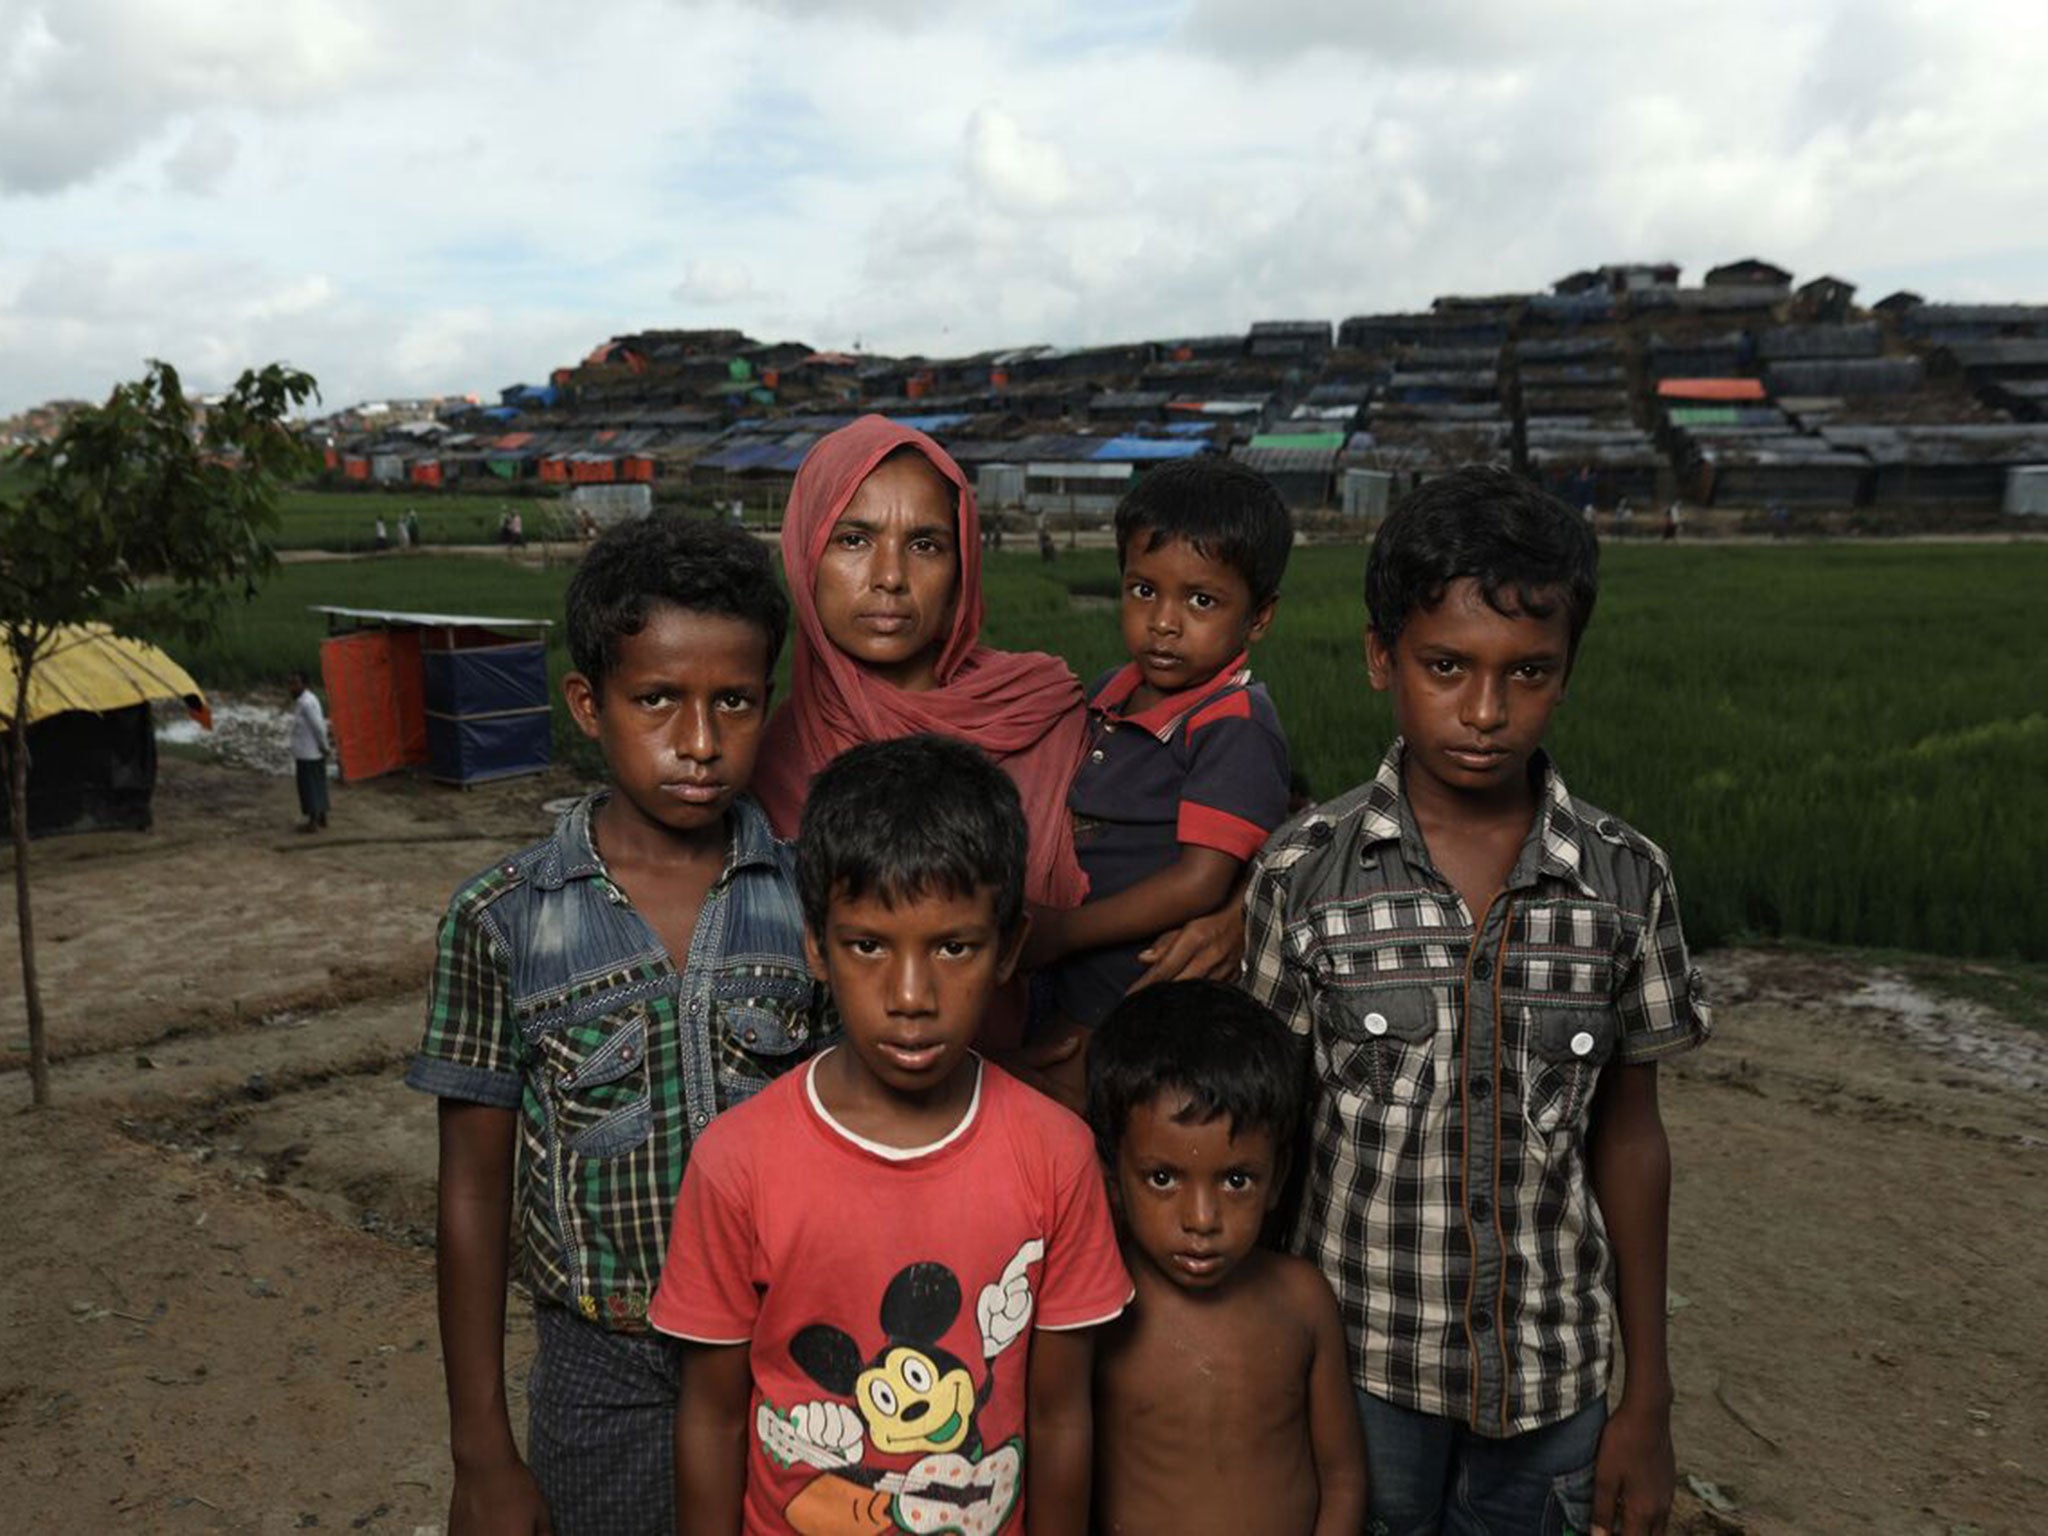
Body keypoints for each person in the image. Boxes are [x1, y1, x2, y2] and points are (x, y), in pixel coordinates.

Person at [1243, 465, 1711, 1536]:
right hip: (1357, 1375)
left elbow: (1630, 1143)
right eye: (1445, 667)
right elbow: (1263, 1139)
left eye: (1527, 673)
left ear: (1566, 671)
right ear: (1379, 658)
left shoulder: (1623, 881)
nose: (1485, 711)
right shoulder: (1299, 878)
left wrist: (1647, 1394)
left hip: (1554, 1382)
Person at [405, 517, 824, 1536]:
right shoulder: (500, 918)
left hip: (793, 1348)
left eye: (733, 701)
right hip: (604, 1369)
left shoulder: (818, 897)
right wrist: (480, 1451)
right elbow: (471, 1190)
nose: (699, 740)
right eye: (656, 702)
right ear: (589, 705)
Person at [653, 734, 1131, 1535]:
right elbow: (711, 1417)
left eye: (953, 947)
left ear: (1009, 946)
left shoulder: (1056, 1154)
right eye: (869, 945)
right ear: (815, 945)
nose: (911, 996)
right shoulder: (739, 1163)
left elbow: (1062, 1415)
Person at [1022, 457, 1294, 1110]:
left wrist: (1061, 932)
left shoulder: (1233, 722)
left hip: (1137, 998)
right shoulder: (1107, 694)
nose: (1165, 622)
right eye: (1144, 590)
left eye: (1201, 600)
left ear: (1258, 618)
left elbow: (1200, 880)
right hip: (1071, 983)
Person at [1087, 979, 1367, 1536]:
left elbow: (1342, 1477)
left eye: (1236, 1180)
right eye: (1162, 1178)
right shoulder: (1099, 1308)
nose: (1202, 1220)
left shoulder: (1302, 1301)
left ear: (1278, 1177)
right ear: (1113, 1177)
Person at [285, 670, 331, 832]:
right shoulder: (307, 700)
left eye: (295, 684)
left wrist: (324, 746)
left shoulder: (306, 703)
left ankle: (313, 822)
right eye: (290, 684)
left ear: (304, 684)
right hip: (311, 750)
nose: (292, 688)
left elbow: (318, 727)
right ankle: (321, 817)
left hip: (309, 751)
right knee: (318, 784)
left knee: (308, 787)